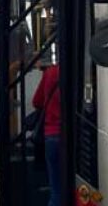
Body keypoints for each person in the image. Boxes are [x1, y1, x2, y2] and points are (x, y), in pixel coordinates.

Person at [33, 63, 60, 206]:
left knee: (56, 190)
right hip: (72, 138)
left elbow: (36, 101)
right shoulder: (78, 72)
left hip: (51, 135)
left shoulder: (50, 72)